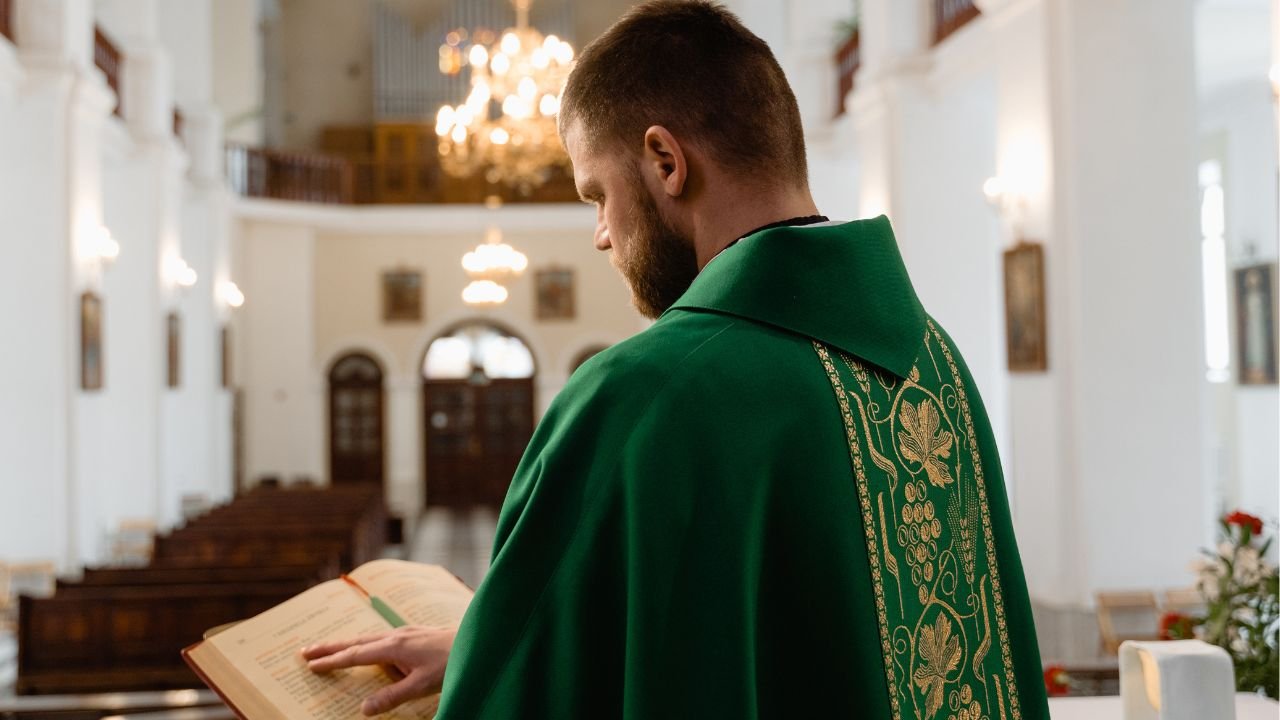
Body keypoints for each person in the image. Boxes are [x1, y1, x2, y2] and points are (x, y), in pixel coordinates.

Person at [303, 1, 1050, 717]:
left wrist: (494, 669)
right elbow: (801, 638)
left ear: (665, 161)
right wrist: (480, 644)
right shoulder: (932, 361)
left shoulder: (643, 394)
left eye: (597, 193)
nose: (600, 234)